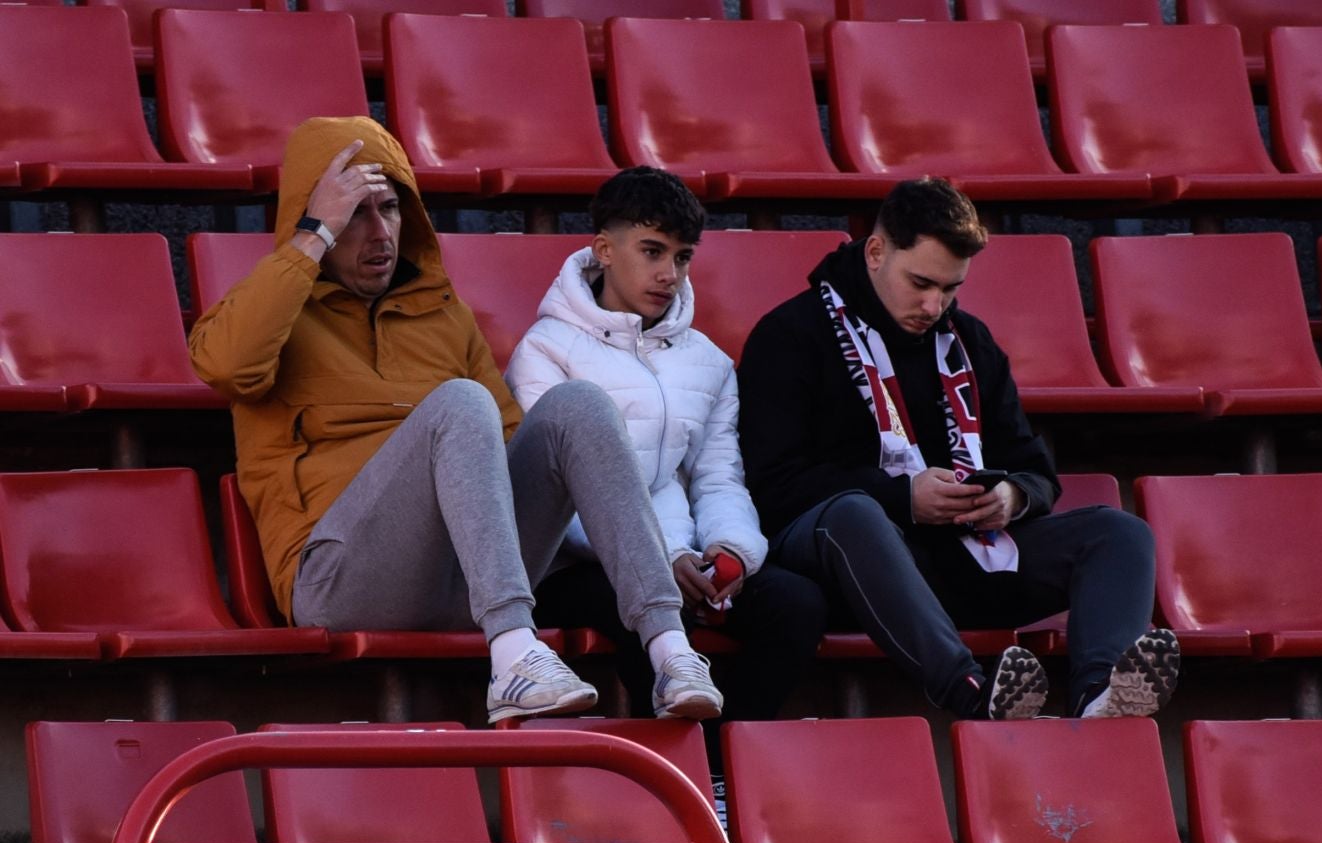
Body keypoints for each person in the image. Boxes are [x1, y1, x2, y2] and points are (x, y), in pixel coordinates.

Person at [189, 117, 721, 725]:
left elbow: (520, 449)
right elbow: (225, 365)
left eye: (389, 209)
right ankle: (516, 657)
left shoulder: (442, 315)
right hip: (341, 580)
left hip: (464, 576)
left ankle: (671, 649)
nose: (378, 232)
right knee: (460, 403)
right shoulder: (270, 310)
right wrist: (312, 235)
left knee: (579, 405)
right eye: (353, 214)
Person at [736, 177, 1178, 720]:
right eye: (920, 282)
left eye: (950, 289)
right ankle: (971, 692)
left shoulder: (970, 338)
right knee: (854, 512)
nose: (933, 305)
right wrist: (903, 498)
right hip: (846, 565)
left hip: (964, 555)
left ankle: (1100, 697)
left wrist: (1012, 496)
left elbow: (1035, 468)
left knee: (1121, 531)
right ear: (875, 251)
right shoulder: (790, 335)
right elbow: (771, 487)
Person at [506, 167, 827, 762]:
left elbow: (718, 477)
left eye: (682, 258)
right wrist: (658, 562)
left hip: (680, 550)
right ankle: (689, 781)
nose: (668, 274)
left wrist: (728, 555)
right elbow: (548, 497)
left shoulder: (707, 361)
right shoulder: (544, 350)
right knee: (642, 607)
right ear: (604, 249)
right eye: (652, 251)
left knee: (796, 604)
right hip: (575, 559)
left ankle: (727, 767)